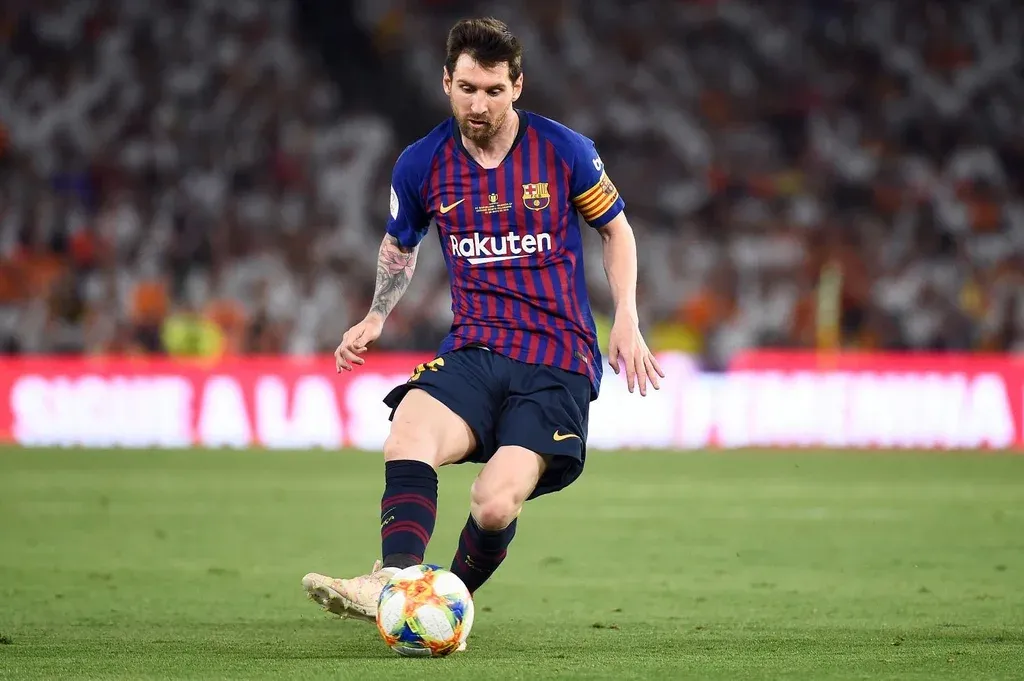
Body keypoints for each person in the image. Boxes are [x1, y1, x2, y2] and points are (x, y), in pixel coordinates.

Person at [302, 17, 663, 640]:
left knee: (494, 504)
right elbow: (400, 245)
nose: (479, 104)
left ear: (516, 86)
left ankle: (444, 604)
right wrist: (377, 313)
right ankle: (395, 581)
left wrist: (627, 317)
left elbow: (616, 230)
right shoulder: (422, 163)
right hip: (476, 346)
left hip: (557, 358)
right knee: (408, 430)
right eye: (468, 88)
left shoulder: (564, 151)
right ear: (447, 82)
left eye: (494, 91)